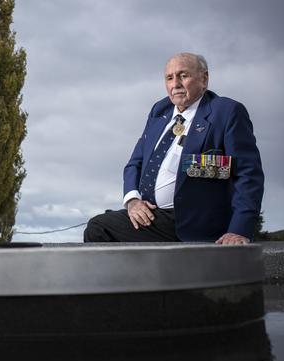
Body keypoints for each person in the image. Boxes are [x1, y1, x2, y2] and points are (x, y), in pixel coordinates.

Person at [83, 53, 264, 244]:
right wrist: (133, 201)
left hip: (195, 222)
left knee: (99, 227)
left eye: (183, 75)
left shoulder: (226, 112)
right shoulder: (159, 111)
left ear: (204, 79)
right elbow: (134, 164)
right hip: (152, 216)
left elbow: (248, 174)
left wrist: (239, 230)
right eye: (169, 78)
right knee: (103, 226)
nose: (175, 83)